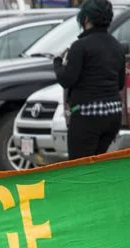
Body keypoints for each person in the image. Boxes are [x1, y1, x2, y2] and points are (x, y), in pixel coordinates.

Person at [54, 0, 128, 159]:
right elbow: (120, 84)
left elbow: (67, 80)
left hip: (87, 116)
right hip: (113, 115)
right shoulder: (117, 47)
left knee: (79, 167)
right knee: (97, 163)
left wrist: (57, 63)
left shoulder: (80, 46)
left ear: (86, 19)